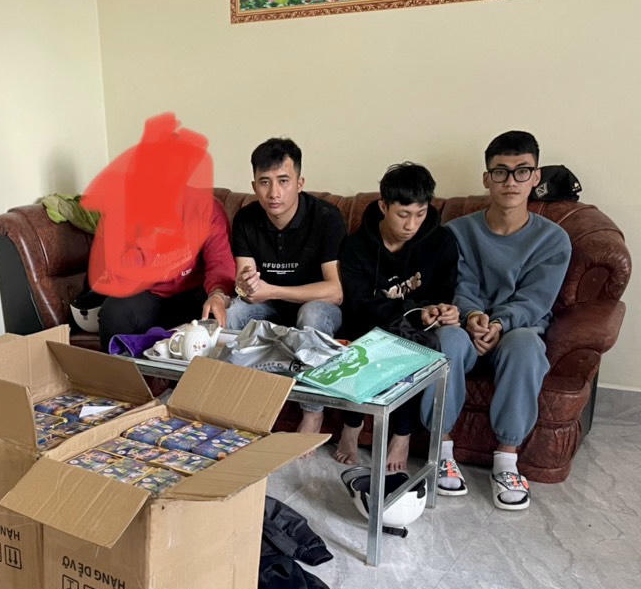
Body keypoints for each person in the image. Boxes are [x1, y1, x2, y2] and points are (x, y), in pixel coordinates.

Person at [432, 130, 572, 510]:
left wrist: (499, 324)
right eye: (501, 172)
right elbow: (458, 285)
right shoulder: (456, 232)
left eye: (521, 171)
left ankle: (507, 462)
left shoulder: (553, 239)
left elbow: (536, 299)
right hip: (466, 325)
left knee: (525, 346)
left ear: (535, 177)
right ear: (486, 178)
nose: (511, 181)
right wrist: (474, 317)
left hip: (517, 330)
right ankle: (440, 452)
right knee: (446, 340)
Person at [334, 162, 460, 468]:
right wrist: (414, 311)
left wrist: (439, 310)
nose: (411, 224)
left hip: (417, 330)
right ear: (383, 206)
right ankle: (352, 425)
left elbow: (444, 292)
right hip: (366, 322)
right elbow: (357, 303)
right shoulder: (356, 246)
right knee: (359, 341)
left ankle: (402, 435)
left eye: (420, 214)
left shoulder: (441, 242)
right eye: (403, 214)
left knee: (416, 347)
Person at [229, 137, 347, 433]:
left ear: (300, 183)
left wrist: (272, 290)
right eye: (264, 182)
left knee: (312, 313)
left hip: (317, 307)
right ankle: (235, 401)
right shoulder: (246, 218)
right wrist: (245, 287)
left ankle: (313, 412)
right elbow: (245, 286)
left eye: (283, 181)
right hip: (268, 307)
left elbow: (335, 291)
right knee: (234, 312)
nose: (274, 193)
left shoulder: (326, 217)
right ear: (254, 185)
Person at [97, 195, 236, 349]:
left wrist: (217, 294)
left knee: (219, 311)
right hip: (147, 292)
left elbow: (220, 264)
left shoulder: (207, 208)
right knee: (114, 313)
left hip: (194, 293)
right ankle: (118, 365)